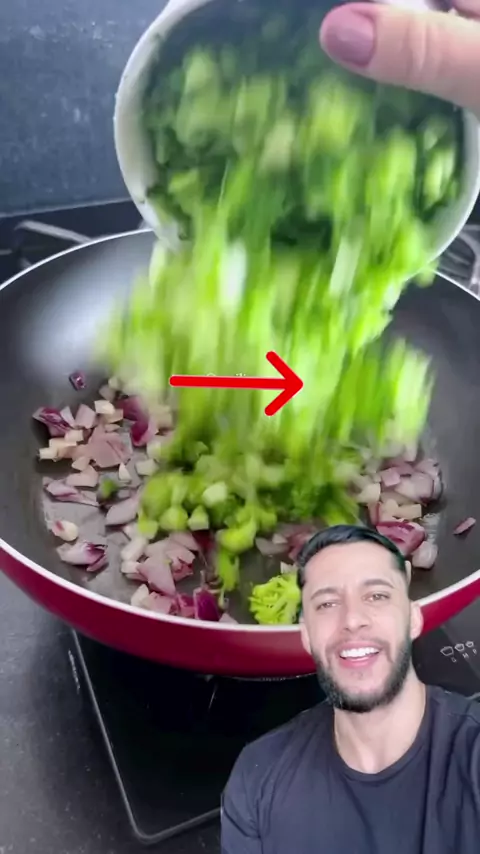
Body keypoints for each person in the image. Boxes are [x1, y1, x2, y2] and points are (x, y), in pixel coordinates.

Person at [221, 525, 480, 852]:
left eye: (376, 596)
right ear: (306, 635)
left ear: (414, 619)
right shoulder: (257, 778)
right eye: (327, 604)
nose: (352, 619)